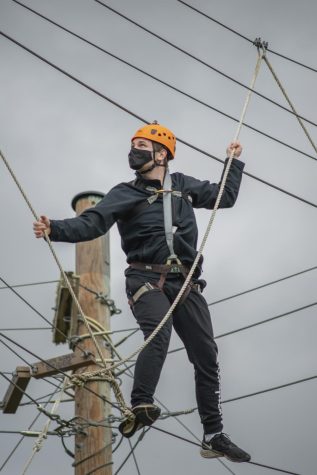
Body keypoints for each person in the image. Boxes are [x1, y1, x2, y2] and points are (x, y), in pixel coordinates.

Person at [33, 122, 250, 463]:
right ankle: (141, 403)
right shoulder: (125, 192)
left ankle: (214, 435)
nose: (133, 152)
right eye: (132, 146)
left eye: (141, 146)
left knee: (206, 354)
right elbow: (92, 222)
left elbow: (225, 196)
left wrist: (232, 163)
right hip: (145, 277)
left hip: (186, 282)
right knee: (158, 331)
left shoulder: (182, 186)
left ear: (161, 154)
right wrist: (55, 229)